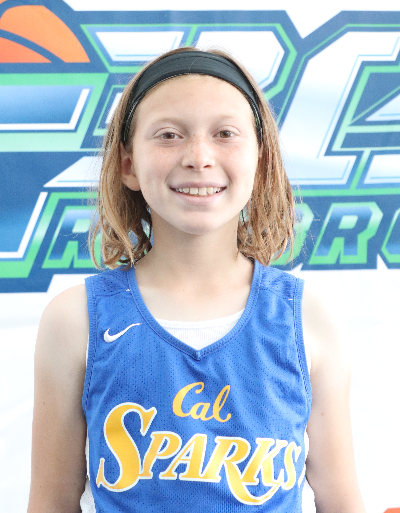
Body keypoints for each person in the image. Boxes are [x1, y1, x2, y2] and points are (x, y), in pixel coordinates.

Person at [28, 47, 366, 512]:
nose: (199, 157)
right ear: (128, 164)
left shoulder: (307, 318)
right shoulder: (75, 320)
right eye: (169, 135)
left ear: (261, 158)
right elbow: (49, 503)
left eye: (225, 133)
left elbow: (342, 502)